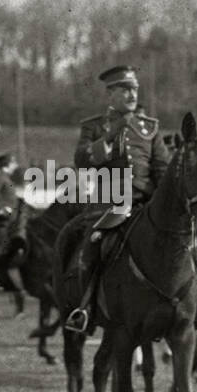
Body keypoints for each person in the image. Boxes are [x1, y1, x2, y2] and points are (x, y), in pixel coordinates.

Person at [61, 66, 174, 332]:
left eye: (134, 89)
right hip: (109, 203)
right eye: (124, 89)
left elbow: (161, 169)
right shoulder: (94, 126)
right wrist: (110, 136)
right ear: (110, 94)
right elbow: (82, 161)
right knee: (93, 246)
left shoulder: (150, 128)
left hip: (145, 205)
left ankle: (195, 303)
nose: (132, 94)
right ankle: (85, 308)